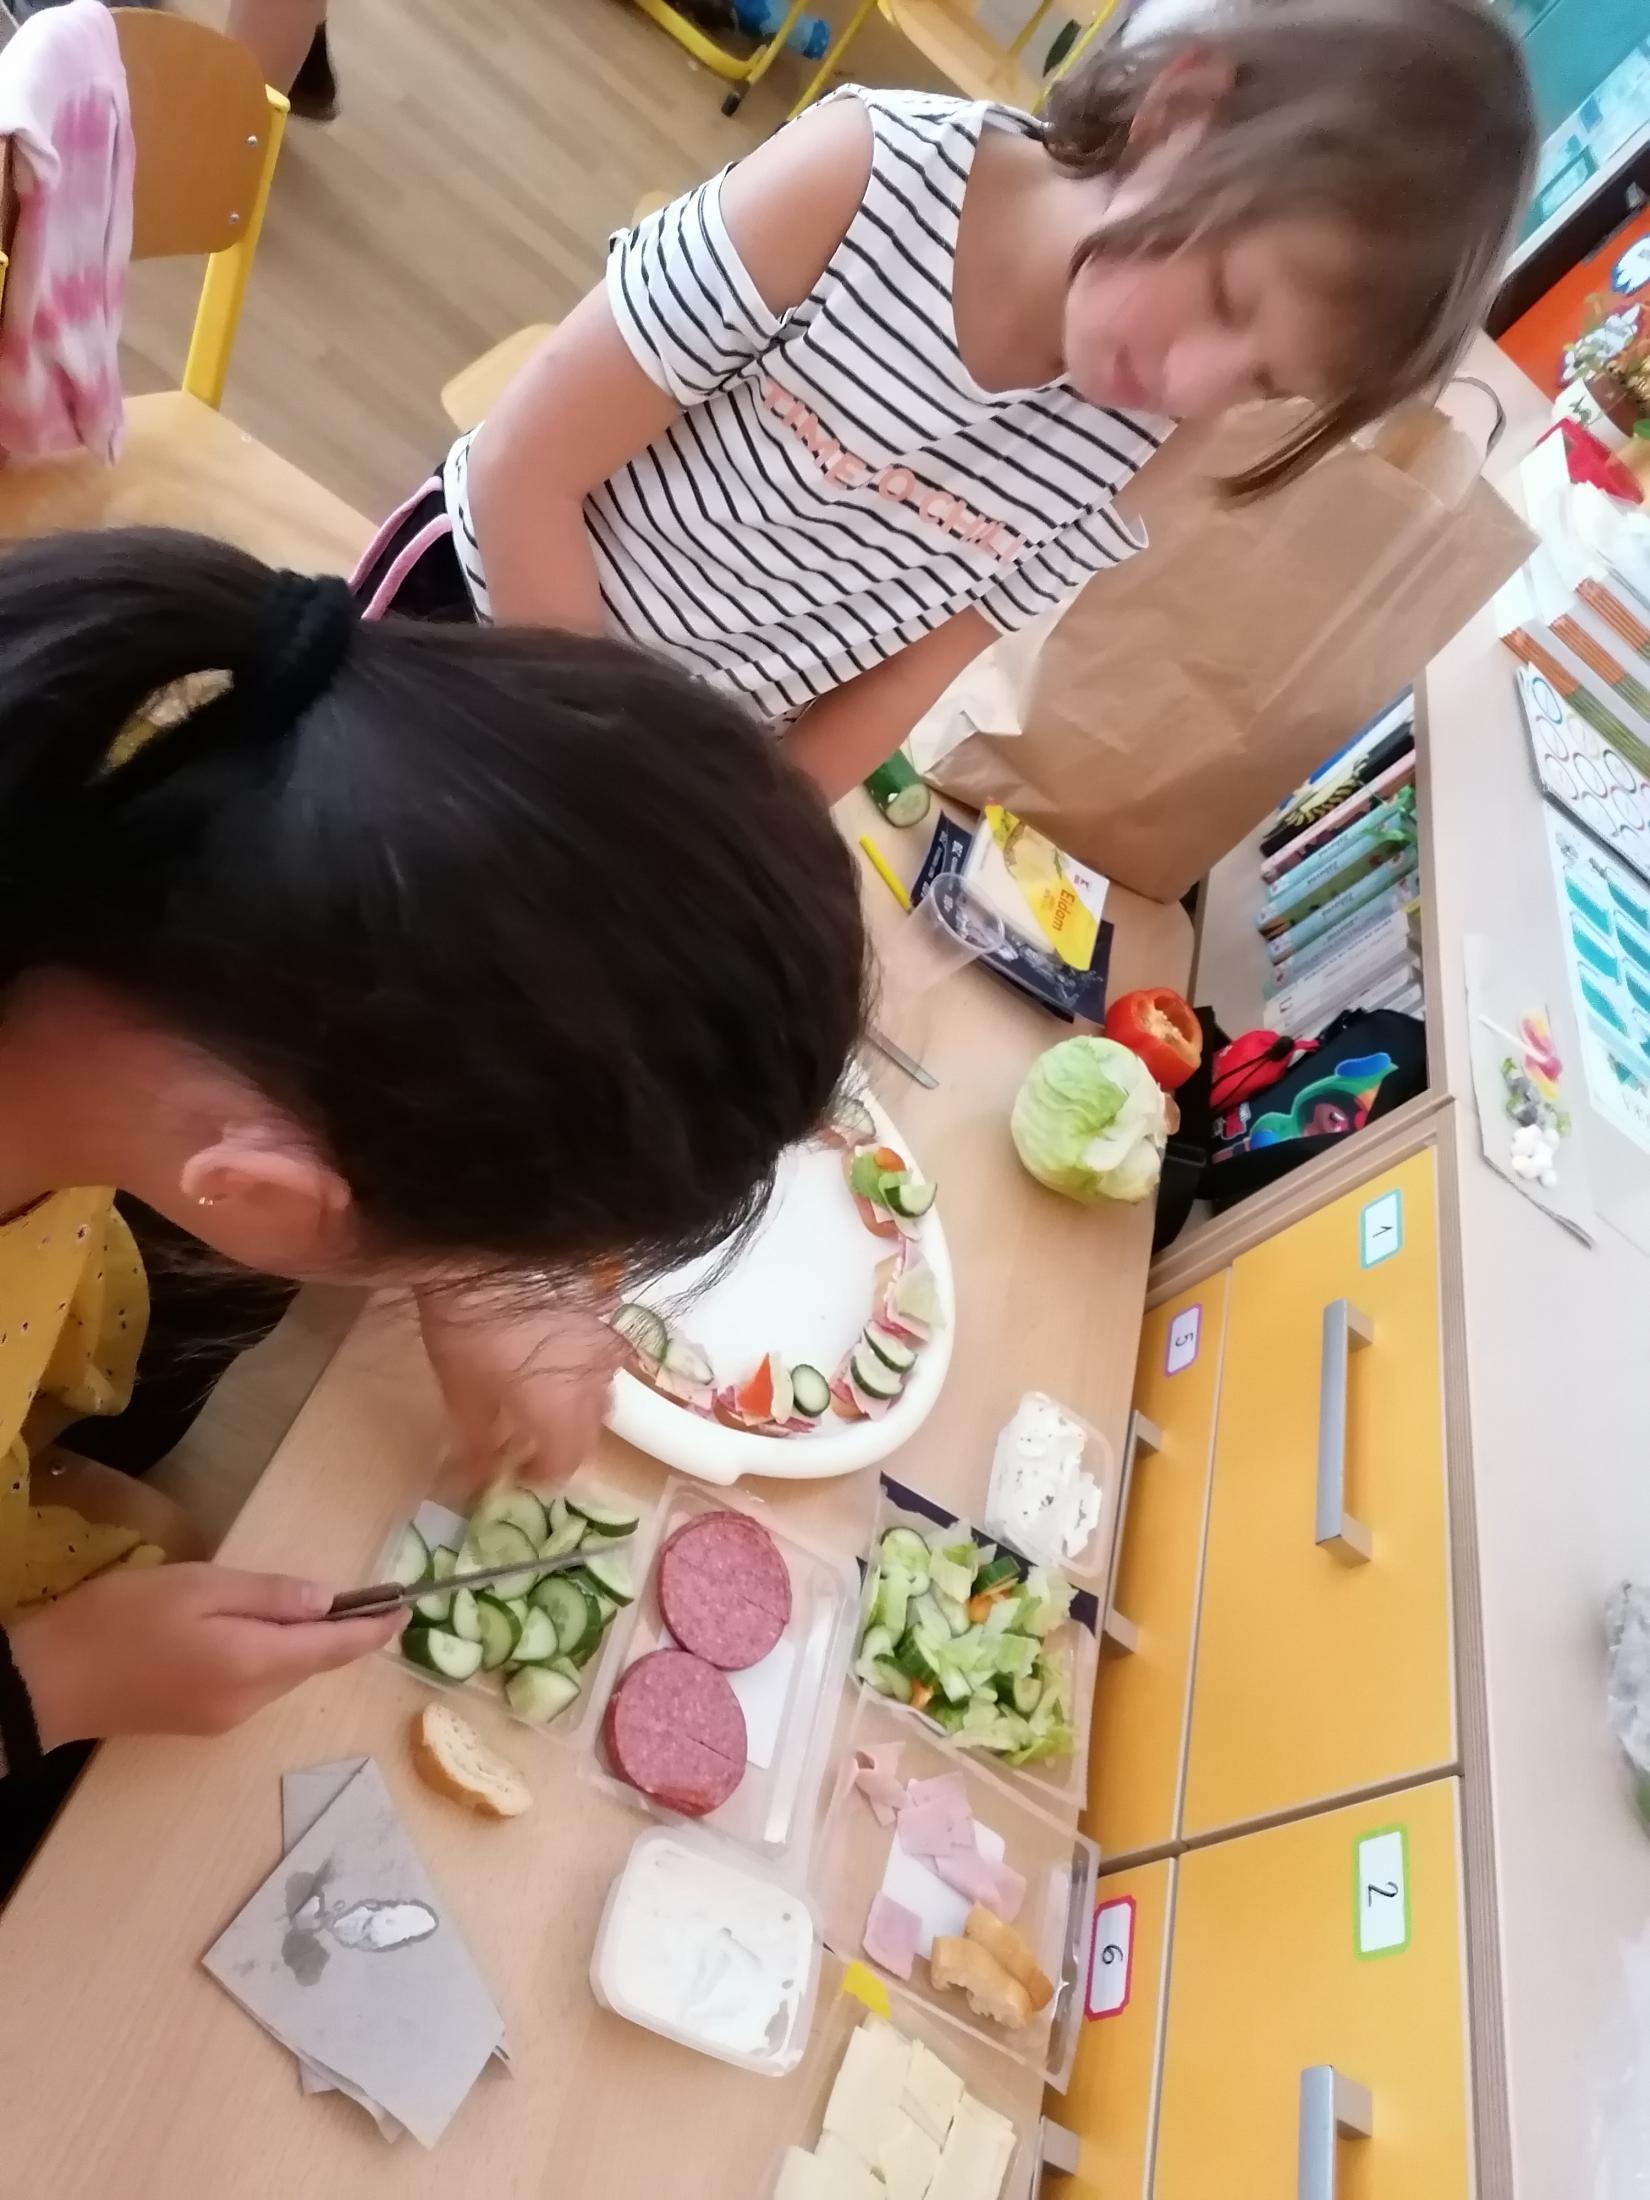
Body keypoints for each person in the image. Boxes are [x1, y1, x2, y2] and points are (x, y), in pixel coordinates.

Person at [0, 526, 865, 1877]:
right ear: (263, 1190)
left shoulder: (152, 833)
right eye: (472, 1253)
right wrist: (49, 1687)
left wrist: (462, 1263)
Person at [351, 0, 1535, 802]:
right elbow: (524, 469)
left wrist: (740, 842)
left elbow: (913, 671)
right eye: (1228, 299)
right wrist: (592, 776)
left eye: (1267, 381)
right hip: (473, 626)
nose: (1192, 388)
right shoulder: (864, 178)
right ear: (1179, 114)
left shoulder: (1163, 441)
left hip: (656, 770)